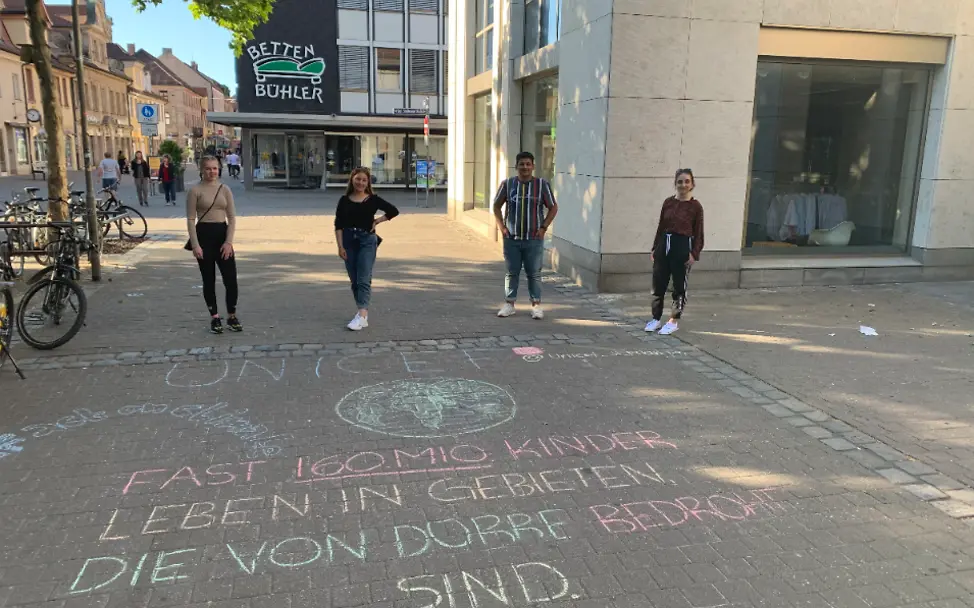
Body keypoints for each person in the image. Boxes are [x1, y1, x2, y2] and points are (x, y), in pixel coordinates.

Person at [492, 151, 558, 320]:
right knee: (511, 272)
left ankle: (536, 305)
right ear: (516, 166)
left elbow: (553, 207)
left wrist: (543, 228)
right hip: (512, 238)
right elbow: (496, 206)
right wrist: (502, 228)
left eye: (528, 164)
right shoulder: (507, 185)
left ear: (533, 166)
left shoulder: (542, 185)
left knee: (534, 273)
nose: (525, 167)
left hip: (533, 239)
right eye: (522, 164)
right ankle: (509, 304)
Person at [334, 167, 399, 331]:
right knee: (354, 280)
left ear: (368, 182)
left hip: (367, 241)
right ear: (352, 180)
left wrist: (377, 221)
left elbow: (393, 211)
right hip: (348, 241)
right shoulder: (344, 200)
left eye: (364, 180)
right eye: (358, 179)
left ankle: (362, 315)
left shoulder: (373, 199)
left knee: (363, 278)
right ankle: (361, 312)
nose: (361, 183)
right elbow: (338, 225)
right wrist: (340, 246)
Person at [645, 169, 705, 336]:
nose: (683, 185)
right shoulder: (668, 203)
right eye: (680, 181)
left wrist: (694, 253)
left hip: (682, 246)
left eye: (687, 181)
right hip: (664, 244)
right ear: (675, 183)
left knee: (678, 286)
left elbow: (699, 233)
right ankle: (655, 318)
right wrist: (655, 248)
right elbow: (660, 227)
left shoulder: (695, 207)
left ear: (692, 184)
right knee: (658, 284)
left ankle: (673, 320)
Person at [187, 156, 241, 335]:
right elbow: (190, 219)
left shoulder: (225, 189)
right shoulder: (195, 191)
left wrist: (229, 242)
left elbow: (232, 218)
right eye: (208, 169)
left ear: (220, 169)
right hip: (204, 237)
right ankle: (215, 317)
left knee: (231, 280)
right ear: (202, 170)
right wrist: (195, 245)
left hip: (222, 236)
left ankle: (232, 315)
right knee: (208, 280)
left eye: (215, 168)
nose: (212, 172)